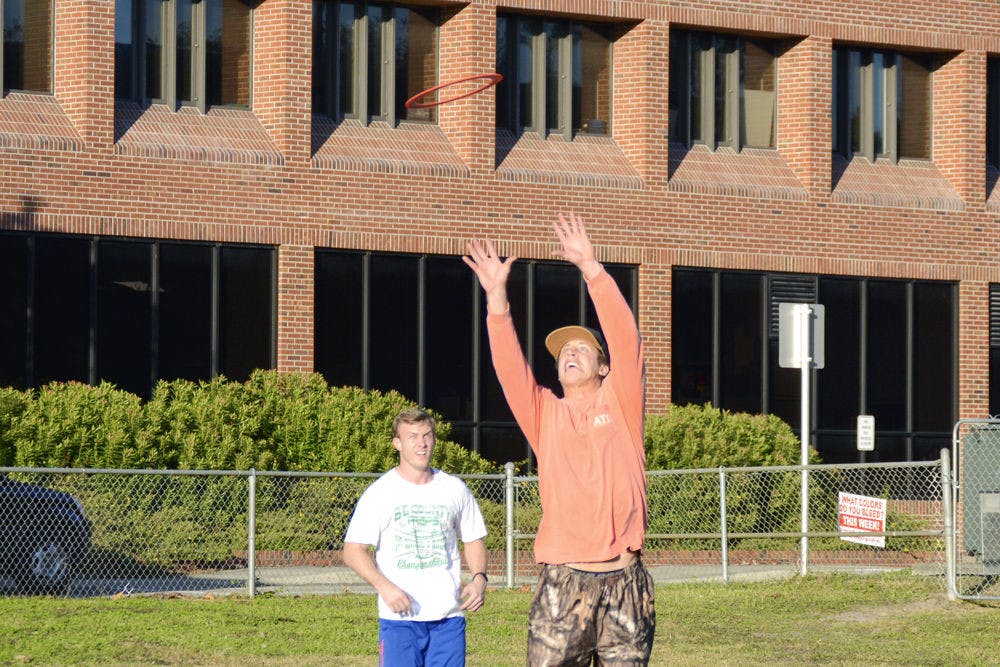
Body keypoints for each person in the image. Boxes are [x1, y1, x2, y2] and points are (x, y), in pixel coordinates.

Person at [463, 212, 655, 665]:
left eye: (581, 348)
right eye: (563, 351)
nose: (569, 352)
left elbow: (628, 341)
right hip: (563, 584)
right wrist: (496, 300)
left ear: (603, 367)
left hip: (626, 585)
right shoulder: (545, 412)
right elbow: (510, 369)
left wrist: (592, 269)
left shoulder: (622, 402)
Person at [342, 407, 489, 667]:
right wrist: (384, 587)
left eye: (427, 435)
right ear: (397, 443)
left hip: (448, 619)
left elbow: (473, 538)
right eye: (412, 437)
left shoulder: (454, 489)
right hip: (399, 620)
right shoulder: (381, 493)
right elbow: (353, 551)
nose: (421, 443)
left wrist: (479, 579)